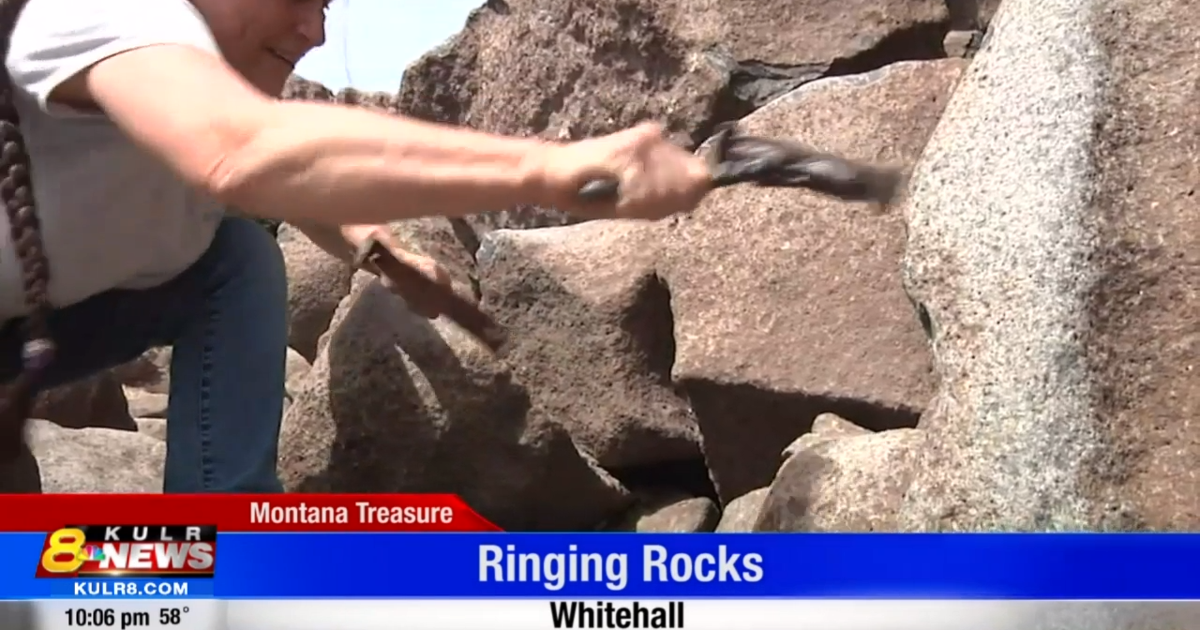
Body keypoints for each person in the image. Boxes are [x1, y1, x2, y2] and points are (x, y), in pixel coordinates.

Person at [0, 0, 712, 492]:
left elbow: (282, 174)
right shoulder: (96, 12)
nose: (313, 28)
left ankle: (223, 531)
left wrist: (378, 250)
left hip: (43, 330)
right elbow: (242, 150)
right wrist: (553, 169)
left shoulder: (201, 78)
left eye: (328, 6)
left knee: (237, 262)